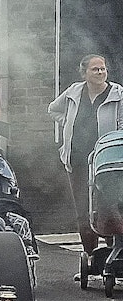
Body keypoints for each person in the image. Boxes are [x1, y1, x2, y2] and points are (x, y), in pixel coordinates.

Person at [48, 54, 123, 258]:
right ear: (84, 73)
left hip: (106, 161)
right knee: (83, 210)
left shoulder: (118, 94)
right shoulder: (74, 92)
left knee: (109, 207)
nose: (100, 72)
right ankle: (90, 256)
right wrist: (68, 123)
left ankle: (113, 254)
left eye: (103, 69)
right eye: (95, 69)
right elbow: (53, 109)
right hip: (77, 159)